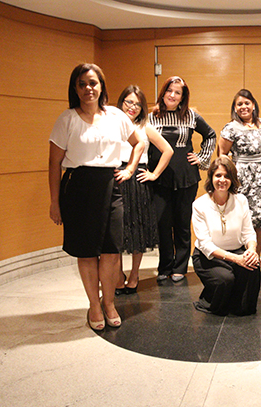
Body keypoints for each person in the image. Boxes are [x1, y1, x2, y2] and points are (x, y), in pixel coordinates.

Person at [48, 63, 145, 331]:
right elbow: (54, 164)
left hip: (110, 187)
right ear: (75, 88)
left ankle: (109, 303)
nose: (88, 88)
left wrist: (130, 169)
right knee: (87, 252)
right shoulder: (67, 119)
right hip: (78, 188)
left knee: (112, 251)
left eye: (93, 83)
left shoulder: (116, 115)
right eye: (82, 84)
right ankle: (94, 305)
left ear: (101, 86)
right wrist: (55, 203)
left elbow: (140, 142)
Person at [148, 76, 216, 283]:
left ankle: (180, 266)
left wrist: (202, 158)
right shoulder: (151, 117)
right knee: (162, 223)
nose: (172, 95)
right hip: (159, 176)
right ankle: (165, 266)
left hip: (186, 176)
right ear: (163, 92)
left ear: (182, 97)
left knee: (182, 223)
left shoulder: (191, 116)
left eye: (177, 92)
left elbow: (211, 135)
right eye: (169, 90)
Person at [114, 85, 173, 295]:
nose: (132, 107)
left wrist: (154, 174)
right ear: (121, 102)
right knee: (118, 229)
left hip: (138, 180)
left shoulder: (144, 126)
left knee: (137, 228)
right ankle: (117, 275)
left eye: (138, 104)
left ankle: (134, 275)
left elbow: (168, 150)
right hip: (116, 177)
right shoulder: (112, 123)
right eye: (129, 102)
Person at [191, 156, 261, 316]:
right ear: (211, 178)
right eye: (218, 175)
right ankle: (210, 301)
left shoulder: (241, 200)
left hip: (236, 251)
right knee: (225, 279)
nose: (222, 180)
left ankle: (239, 306)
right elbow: (206, 245)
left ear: (232, 179)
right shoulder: (199, 205)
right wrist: (236, 259)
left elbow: (248, 233)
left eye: (227, 176)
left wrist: (251, 250)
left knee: (253, 267)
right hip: (208, 257)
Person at [218, 89, 261, 270]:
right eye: (239, 104)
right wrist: (230, 177)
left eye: (247, 103)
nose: (244, 107)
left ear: (253, 105)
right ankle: (241, 257)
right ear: (235, 108)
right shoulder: (231, 127)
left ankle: (256, 256)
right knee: (242, 218)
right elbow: (223, 154)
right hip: (242, 178)